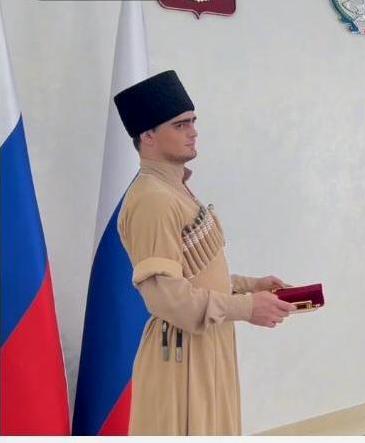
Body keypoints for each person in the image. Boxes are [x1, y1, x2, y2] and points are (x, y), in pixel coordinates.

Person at [113, 70, 296, 435]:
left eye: (193, 122)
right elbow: (169, 299)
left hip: (208, 338)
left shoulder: (175, 190)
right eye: (180, 124)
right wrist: (247, 307)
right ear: (147, 136)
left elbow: (196, 276)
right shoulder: (152, 200)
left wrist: (250, 286)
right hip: (182, 352)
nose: (193, 131)